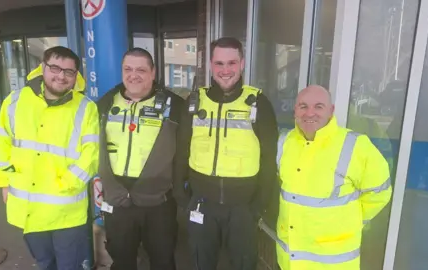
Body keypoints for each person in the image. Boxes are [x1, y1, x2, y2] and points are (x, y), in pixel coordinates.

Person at [174, 37, 279, 270]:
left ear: (242, 64)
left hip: (243, 207)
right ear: (211, 65)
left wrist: (259, 206)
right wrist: (181, 197)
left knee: (243, 264)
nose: (225, 70)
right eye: (219, 63)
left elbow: (269, 159)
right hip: (201, 203)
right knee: (202, 262)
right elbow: (182, 150)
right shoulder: (194, 102)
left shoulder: (258, 104)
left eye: (232, 63)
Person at [0, 46, 99, 270]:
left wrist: (67, 184)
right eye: (55, 68)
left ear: (75, 76)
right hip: (29, 208)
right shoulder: (15, 101)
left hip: (67, 210)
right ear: (42, 67)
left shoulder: (85, 107)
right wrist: (4, 181)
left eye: (69, 72)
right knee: (44, 264)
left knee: (70, 266)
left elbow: (92, 153)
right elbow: (2, 143)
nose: (61, 75)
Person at [275, 85, 392, 270]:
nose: (309, 113)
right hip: (289, 261)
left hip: (332, 264)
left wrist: (354, 220)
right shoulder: (285, 142)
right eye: (303, 106)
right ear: (295, 110)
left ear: (331, 111)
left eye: (318, 107)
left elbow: (380, 193)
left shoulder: (356, 145)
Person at [97, 48, 184, 270]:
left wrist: (179, 189)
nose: (133, 75)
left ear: (153, 73)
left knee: (163, 261)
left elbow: (186, 151)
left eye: (141, 70)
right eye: (128, 69)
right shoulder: (105, 104)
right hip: (118, 201)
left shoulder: (175, 106)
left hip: (159, 202)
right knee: (122, 261)